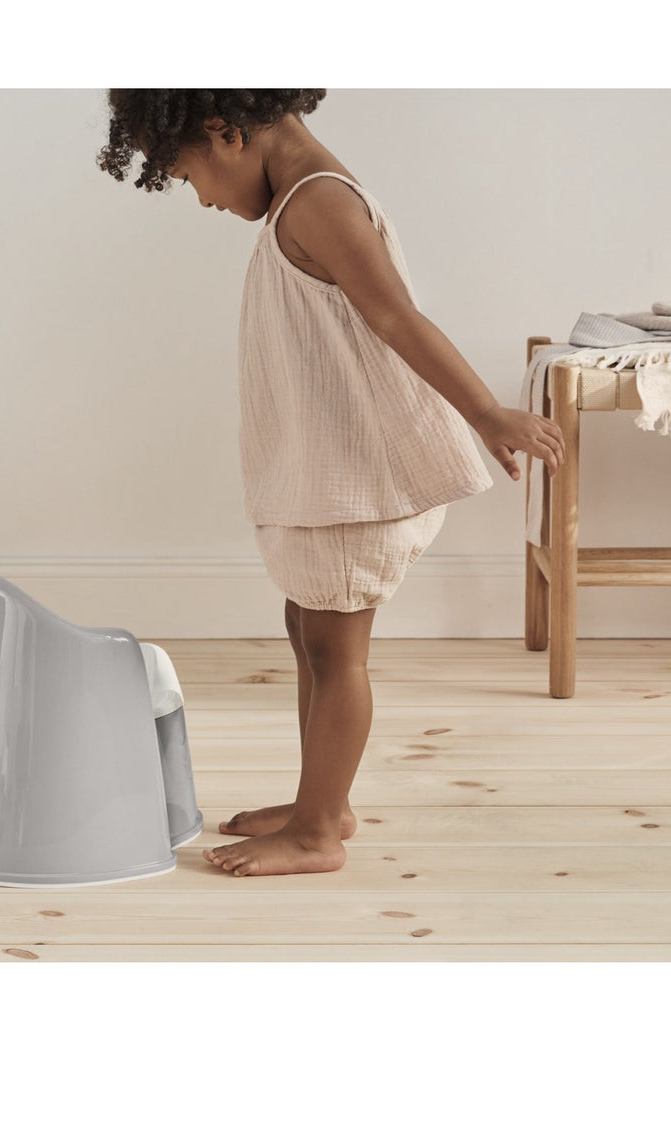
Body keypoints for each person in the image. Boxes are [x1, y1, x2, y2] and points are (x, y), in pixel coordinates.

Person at [97, 89, 565, 877]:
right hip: (336, 472)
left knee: (336, 650)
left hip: (362, 476)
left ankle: (318, 833)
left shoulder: (318, 203)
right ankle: (323, 800)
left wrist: (488, 413)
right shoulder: (301, 201)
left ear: (225, 132)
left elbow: (397, 317)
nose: (203, 200)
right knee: (309, 632)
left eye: (188, 177)